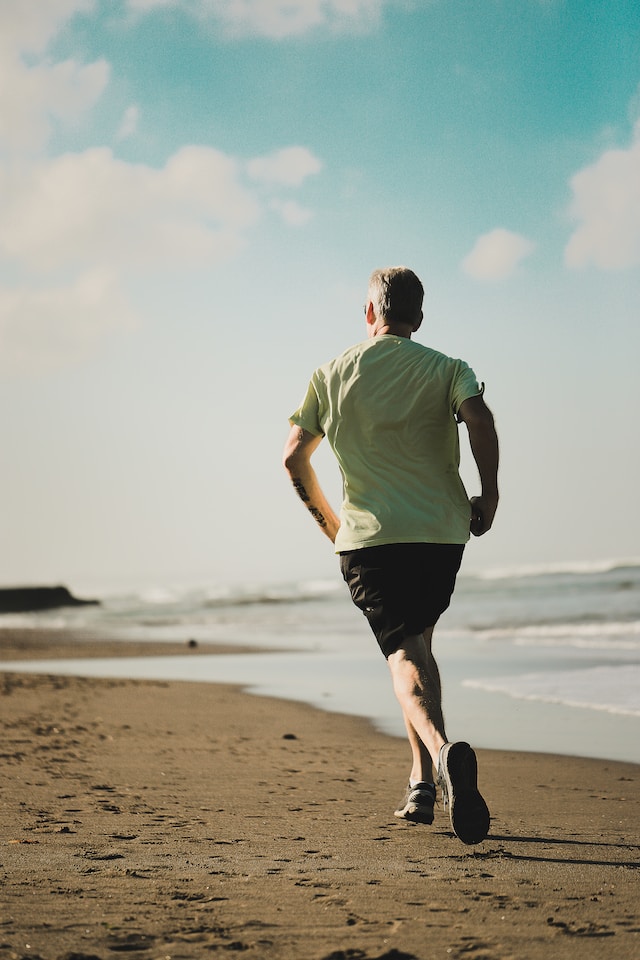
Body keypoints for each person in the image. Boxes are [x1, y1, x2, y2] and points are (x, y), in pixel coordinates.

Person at [282, 266, 499, 845]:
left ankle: (442, 754)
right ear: (418, 318)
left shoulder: (330, 375)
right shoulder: (448, 367)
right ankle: (421, 784)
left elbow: (293, 460)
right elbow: (479, 419)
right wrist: (491, 494)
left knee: (403, 657)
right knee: (419, 647)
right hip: (440, 535)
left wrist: (332, 525)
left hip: (371, 541)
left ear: (369, 313)